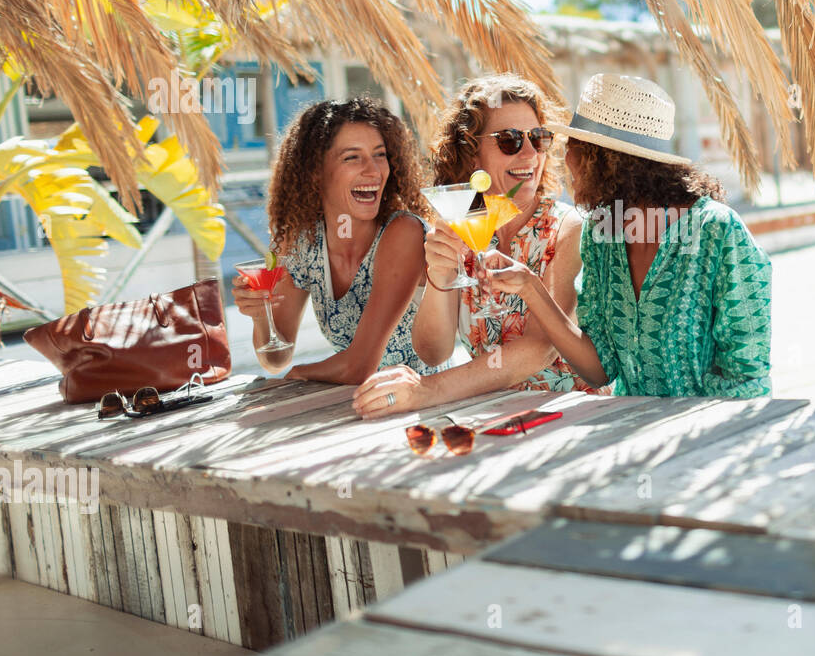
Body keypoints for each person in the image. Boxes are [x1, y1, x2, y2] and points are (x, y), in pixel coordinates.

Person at [481, 73, 772, 398]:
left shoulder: (717, 232)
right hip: (634, 436)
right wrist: (531, 288)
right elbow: (598, 371)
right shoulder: (601, 233)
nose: (565, 159)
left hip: (713, 439)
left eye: (573, 146)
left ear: (603, 159)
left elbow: (748, 380)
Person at [351, 74, 609, 419]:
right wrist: (441, 276)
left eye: (539, 138)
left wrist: (425, 390)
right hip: (492, 417)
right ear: (472, 153)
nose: (530, 153)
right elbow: (432, 351)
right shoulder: (462, 221)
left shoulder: (569, 229)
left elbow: (539, 349)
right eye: (509, 141)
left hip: (574, 418)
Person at [231, 96, 440, 383]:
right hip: (352, 410)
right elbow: (276, 359)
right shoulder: (302, 242)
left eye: (380, 154)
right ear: (315, 173)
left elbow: (359, 365)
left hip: (424, 409)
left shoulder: (405, 232)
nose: (374, 170)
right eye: (352, 157)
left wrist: (298, 375)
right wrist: (259, 314)